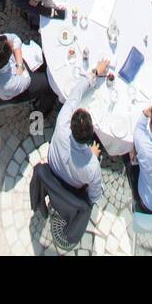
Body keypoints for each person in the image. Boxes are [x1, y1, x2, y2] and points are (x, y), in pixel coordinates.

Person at [47, 60, 110, 202]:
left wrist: (94, 72)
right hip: (72, 186)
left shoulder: (62, 122)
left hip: (53, 163)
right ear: (90, 136)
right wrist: (92, 156)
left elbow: (74, 95)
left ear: (70, 124)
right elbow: (95, 196)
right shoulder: (92, 166)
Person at [0, 33, 55, 114]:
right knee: (50, 82)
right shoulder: (9, 84)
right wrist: (20, 63)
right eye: (11, 47)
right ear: (9, 56)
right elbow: (26, 80)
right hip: (14, 89)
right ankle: (42, 110)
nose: (10, 42)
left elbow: (15, 39)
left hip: (14, 72)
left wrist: (19, 65)